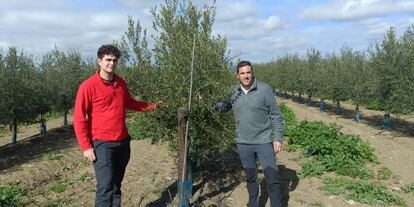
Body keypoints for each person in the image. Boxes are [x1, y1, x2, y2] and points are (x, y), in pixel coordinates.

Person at [74, 44, 157, 207]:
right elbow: (79, 118)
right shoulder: (88, 86)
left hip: (123, 142)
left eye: (115, 60)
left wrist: (153, 106)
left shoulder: (120, 83)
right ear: (99, 61)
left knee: (116, 186)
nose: (112, 63)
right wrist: (86, 146)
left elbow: (131, 103)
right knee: (105, 188)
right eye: (108, 60)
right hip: (102, 143)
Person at [216, 60, 284, 207]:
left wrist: (277, 138)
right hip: (243, 143)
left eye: (248, 72)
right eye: (242, 73)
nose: (246, 76)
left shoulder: (264, 90)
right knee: (251, 178)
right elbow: (224, 107)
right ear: (237, 76)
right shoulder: (233, 91)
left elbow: (276, 115)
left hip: (264, 142)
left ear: (252, 73)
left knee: (272, 178)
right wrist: (207, 102)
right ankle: (252, 204)